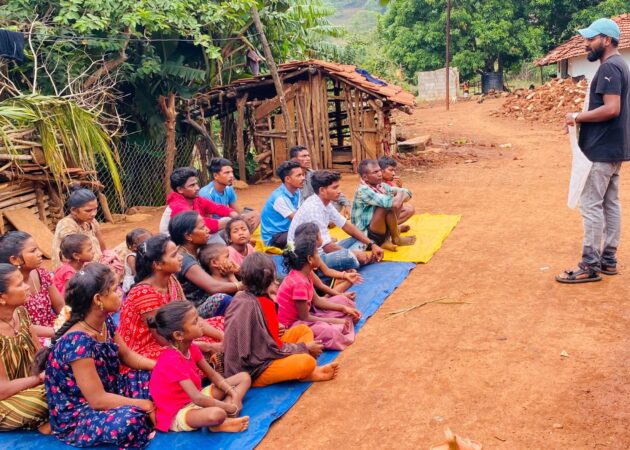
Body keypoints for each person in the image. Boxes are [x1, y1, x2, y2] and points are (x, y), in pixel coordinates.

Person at [33, 263, 156, 449]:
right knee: (130, 420)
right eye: (115, 289)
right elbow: (97, 400)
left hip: (111, 391)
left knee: (157, 379)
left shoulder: (104, 321)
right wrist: (144, 405)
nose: (120, 292)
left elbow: (128, 356)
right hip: (82, 412)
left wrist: (160, 367)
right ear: (98, 299)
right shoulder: (77, 343)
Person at [557, 18, 630, 283]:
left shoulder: (609, 68)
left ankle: (589, 265)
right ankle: (608, 259)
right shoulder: (620, 65)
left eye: (591, 39)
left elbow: (612, 109)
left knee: (591, 206)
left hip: (600, 151)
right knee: (610, 204)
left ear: (607, 40)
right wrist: (577, 120)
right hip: (613, 150)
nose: (586, 44)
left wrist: (576, 116)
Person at [224, 253, 339, 386]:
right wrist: (304, 347)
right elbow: (272, 349)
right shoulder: (264, 303)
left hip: (252, 357)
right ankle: (309, 372)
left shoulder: (240, 296)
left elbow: (267, 340)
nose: (276, 280)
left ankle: (305, 370)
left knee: (303, 330)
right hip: (253, 370)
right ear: (268, 278)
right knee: (306, 362)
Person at [117, 235, 223, 370]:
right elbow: (164, 341)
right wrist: (209, 346)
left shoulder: (171, 280)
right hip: (147, 349)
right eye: (174, 255)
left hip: (178, 335)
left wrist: (222, 336)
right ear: (158, 265)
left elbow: (193, 317)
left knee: (225, 326)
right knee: (185, 359)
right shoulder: (144, 294)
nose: (180, 257)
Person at [148, 301, 250, 433]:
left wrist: (233, 394)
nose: (201, 323)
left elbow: (213, 375)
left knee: (244, 377)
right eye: (195, 322)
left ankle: (224, 417)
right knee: (216, 414)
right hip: (179, 410)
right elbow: (198, 398)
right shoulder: (171, 360)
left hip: (196, 397)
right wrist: (228, 407)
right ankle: (223, 418)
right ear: (179, 335)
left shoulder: (192, 347)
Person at [287, 170, 384, 271]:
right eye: (335, 188)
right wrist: (355, 254)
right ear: (322, 190)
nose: (339, 191)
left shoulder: (325, 203)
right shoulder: (313, 209)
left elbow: (346, 225)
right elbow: (327, 247)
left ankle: (355, 260)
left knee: (361, 239)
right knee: (350, 258)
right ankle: (354, 261)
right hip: (306, 258)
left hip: (320, 250)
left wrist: (372, 244)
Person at [277, 235, 360, 350]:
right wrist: (334, 320)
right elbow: (305, 318)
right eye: (317, 253)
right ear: (310, 259)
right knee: (330, 331)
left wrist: (343, 308)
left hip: (308, 314)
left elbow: (317, 301)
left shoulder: (306, 272)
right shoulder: (298, 283)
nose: (319, 257)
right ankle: (340, 325)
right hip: (294, 325)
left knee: (343, 301)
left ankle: (342, 322)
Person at [0, 263, 49, 432]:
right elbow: (3, 390)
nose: (27, 287)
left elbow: (39, 355)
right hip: (6, 398)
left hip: (30, 386)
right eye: (20, 284)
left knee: (71, 377)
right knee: (46, 399)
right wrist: (42, 378)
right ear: (1, 298)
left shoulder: (20, 312)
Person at [169, 212, 237, 320]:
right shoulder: (184, 259)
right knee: (221, 299)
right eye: (202, 227)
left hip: (206, 298)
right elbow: (214, 287)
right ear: (188, 236)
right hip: (194, 311)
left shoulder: (197, 251)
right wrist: (243, 285)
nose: (208, 230)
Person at [0, 231, 64, 339]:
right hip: (31, 337)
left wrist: (65, 325)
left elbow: (60, 306)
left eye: (38, 249)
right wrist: (57, 332)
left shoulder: (42, 274)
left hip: (55, 329)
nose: (40, 253)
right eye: (33, 251)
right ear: (15, 260)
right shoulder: (10, 288)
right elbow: (22, 325)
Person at [51, 186, 122, 273]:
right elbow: (71, 255)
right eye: (88, 211)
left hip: (94, 262)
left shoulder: (91, 221)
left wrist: (106, 255)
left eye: (95, 209)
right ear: (74, 210)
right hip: (76, 270)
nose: (93, 214)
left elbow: (101, 241)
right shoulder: (67, 225)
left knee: (126, 249)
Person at [351, 160, 416, 252]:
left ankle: (388, 237)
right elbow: (394, 203)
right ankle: (395, 237)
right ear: (365, 177)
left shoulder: (381, 185)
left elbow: (408, 192)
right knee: (387, 207)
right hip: (365, 237)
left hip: (376, 229)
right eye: (375, 172)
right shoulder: (363, 190)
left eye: (379, 170)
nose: (379, 174)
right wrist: (400, 193)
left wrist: (400, 193)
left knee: (396, 204)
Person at [165, 167, 239, 242]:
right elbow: (204, 225)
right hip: (177, 244)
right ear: (180, 190)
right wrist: (232, 221)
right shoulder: (177, 206)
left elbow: (217, 207)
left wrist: (233, 214)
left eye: (196, 184)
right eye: (192, 185)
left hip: (193, 236)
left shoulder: (195, 199)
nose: (197, 188)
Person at [293, 222, 362, 297]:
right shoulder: (306, 268)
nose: (322, 237)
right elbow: (320, 289)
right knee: (347, 283)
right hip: (316, 294)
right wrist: (341, 297)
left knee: (350, 275)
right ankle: (328, 297)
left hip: (318, 288)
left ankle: (332, 293)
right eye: (320, 235)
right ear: (315, 240)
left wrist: (345, 275)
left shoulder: (311, 255)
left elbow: (327, 271)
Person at [200, 158, 260, 231]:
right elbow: (210, 224)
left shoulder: (228, 189)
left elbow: (237, 211)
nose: (231, 175)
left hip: (229, 221)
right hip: (218, 227)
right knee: (230, 220)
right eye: (227, 173)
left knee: (256, 214)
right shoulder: (206, 194)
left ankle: (246, 235)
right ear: (215, 176)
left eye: (231, 172)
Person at [290, 145, 351, 217]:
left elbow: (332, 189)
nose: (308, 158)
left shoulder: (313, 174)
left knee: (337, 200)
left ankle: (328, 219)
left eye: (308, 156)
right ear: (293, 160)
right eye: (303, 156)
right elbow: (298, 205)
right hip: (303, 211)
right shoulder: (292, 179)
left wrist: (347, 204)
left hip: (316, 207)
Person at [260, 160, 305, 249]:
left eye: (303, 174)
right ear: (287, 179)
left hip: (288, 231)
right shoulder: (279, 198)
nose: (303, 178)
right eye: (299, 175)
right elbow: (298, 219)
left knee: (307, 235)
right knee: (305, 240)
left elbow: (302, 213)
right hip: (274, 238)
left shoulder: (297, 191)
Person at [122, 228, 152, 294]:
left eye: (151, 240)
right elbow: (137, 273)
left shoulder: (147, 253)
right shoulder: (131, 257)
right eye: (146, 242)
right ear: (134, 247)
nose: (150, 243)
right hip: (133, 283)